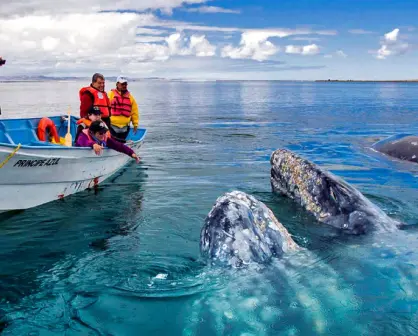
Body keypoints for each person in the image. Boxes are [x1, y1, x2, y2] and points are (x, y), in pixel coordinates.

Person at [75, 120, 140, 163]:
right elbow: (83, 142)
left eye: (104, 132)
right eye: (100, 133)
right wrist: (93, 144)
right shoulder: (83, 136)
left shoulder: (105, 138)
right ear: (92, 133)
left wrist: (131, 153)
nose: (103, 135)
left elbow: (118, 146)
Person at [108, 76, 139, 143]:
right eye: (122, 84)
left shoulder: (131, 98)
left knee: (121, 144)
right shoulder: (110, 95)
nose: (124, 85)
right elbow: (104, 109)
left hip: (125, 128)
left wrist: (135, 124)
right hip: (112, 126)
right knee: (114, 143)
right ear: (117, 84)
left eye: (125, 84)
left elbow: (134, 112)